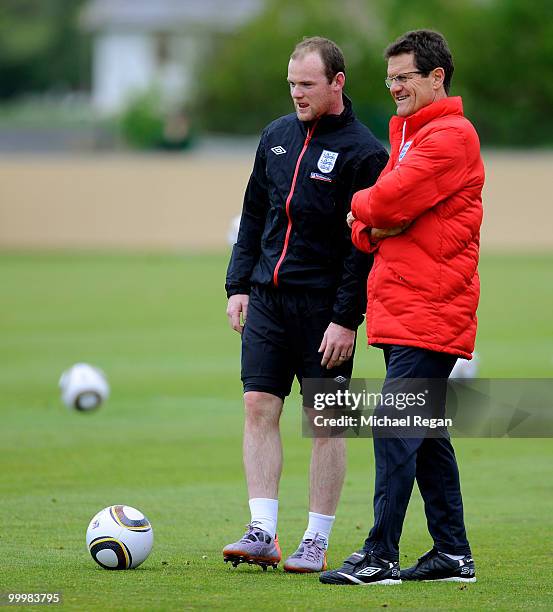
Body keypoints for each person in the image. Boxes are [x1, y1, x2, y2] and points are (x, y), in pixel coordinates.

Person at [320, 30, 484, 585]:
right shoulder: (411, 135)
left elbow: (382, 199)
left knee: (395, 428)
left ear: (437, 77)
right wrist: (375, 222)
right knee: (426, 436)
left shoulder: (450, 137)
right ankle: (452, 554)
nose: (393, 88)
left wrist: (366, 210)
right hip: (403, 309)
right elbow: (377, 224)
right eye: (389, 78)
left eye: (403, 77)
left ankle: (380, 555)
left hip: (429, 311)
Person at [223, 36, 389, 573]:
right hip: (268, 298)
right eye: (292, 84)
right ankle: (262, 532)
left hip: (325, 310)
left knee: (328, 422)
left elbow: (362, 247)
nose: (297, 93)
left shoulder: (365, 152)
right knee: (258, 407)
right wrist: (238, 286)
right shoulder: (275, 136)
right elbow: (252, 215)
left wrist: (346, 318)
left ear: (337, 83)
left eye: (307, 84)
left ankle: (315, 540)